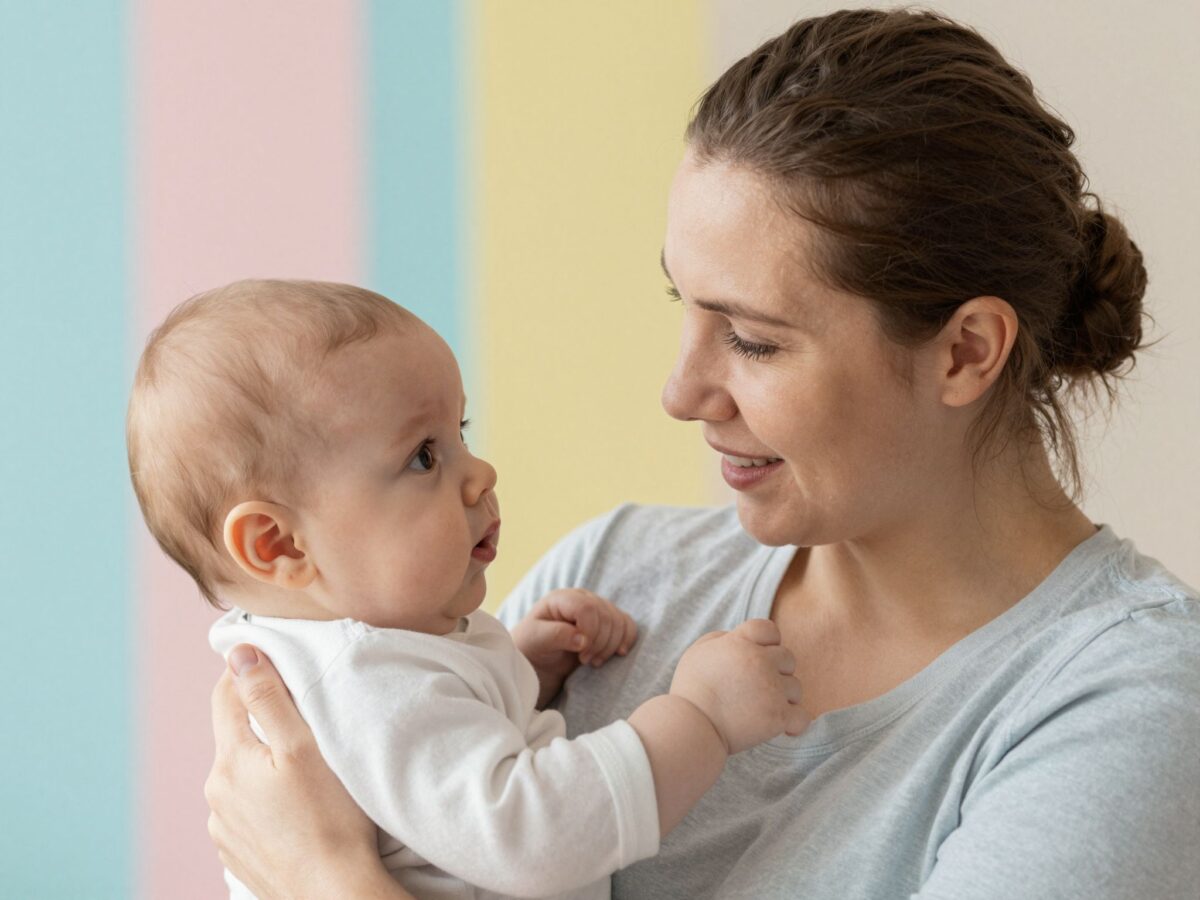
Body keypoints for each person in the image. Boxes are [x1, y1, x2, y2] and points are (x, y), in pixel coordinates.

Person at [204, 9, 1200, 900]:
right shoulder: (614, 586)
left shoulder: (1124, 706)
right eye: (684, 305)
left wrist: (324, 879)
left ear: (965, 352)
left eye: (754, 340)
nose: (681, 394)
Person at [127, 279, 807, 900]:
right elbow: (533, 838)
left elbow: (437, 770)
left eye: (460, 433)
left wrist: (515, 671)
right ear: (281, 546)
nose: (481, 473)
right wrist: (701, 719)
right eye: (423, 456)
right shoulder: (364, 681)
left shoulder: (372, 657)